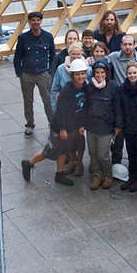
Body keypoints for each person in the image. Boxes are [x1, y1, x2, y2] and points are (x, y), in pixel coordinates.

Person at [21, 59, 88, 187]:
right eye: (77, 74)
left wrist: (81, 124)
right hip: (60, 127)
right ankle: (28, 163)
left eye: (83, 74)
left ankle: (59, 173)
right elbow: (60, 111)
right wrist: (62, 129)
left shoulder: (85, 87)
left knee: (64, 149)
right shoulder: (67, 91)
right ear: (72, 75)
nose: (81, 77)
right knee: (50, 150)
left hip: (72, 125)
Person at [49, 43, 90, 176]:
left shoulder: (87, 69)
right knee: (68, 144)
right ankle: (72, 162)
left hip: (79, 113)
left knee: (79, 141)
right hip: (67, 115)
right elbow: (55, 88)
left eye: (78, 54)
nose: (76, 56)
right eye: (73, 53)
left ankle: (79, 163)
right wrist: (55, 109)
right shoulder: (62, 70)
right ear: (68, 53)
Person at [14, 11, 56, 137]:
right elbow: (17, 57)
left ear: (41, 21)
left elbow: (52, 56)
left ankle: (52, 123)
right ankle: (29, 125)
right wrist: (20, 73)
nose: (36, 22)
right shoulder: (23, 38)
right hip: (27, 74)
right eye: (33, 20)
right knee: (28, 101)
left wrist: (50, 72)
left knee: (48, 100)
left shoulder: (48, 37)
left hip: (43, 73)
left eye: (38, 20)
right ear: (29, 22)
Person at [85, 60, 122, 190]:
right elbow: (86, 105)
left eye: (102, 72)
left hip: (106, 127)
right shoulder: (89, 87)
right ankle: (97, 175)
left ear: (106, 73)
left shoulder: (113, 87)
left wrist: (118, 125)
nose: (100, 75)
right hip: (91, 126)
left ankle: (107, 174)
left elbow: (118, 107)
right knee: (93, 153)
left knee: (103, 154)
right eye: (97, 72)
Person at [106, 34, 137, 165]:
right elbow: (100, 60)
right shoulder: (114, 56)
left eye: (130, 44)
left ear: (134, 45)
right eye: (125, 44)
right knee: (118, 136)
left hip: (136, 100)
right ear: (121, 45)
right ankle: (116, 163)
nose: (127, 47)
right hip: (120, 99)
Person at [118, 61, 137, 192]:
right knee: (130, 153)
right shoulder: (123, 89)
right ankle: (131, 177)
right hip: (128, 127)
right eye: (129, 73)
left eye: (134, 73)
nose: (132, 75)